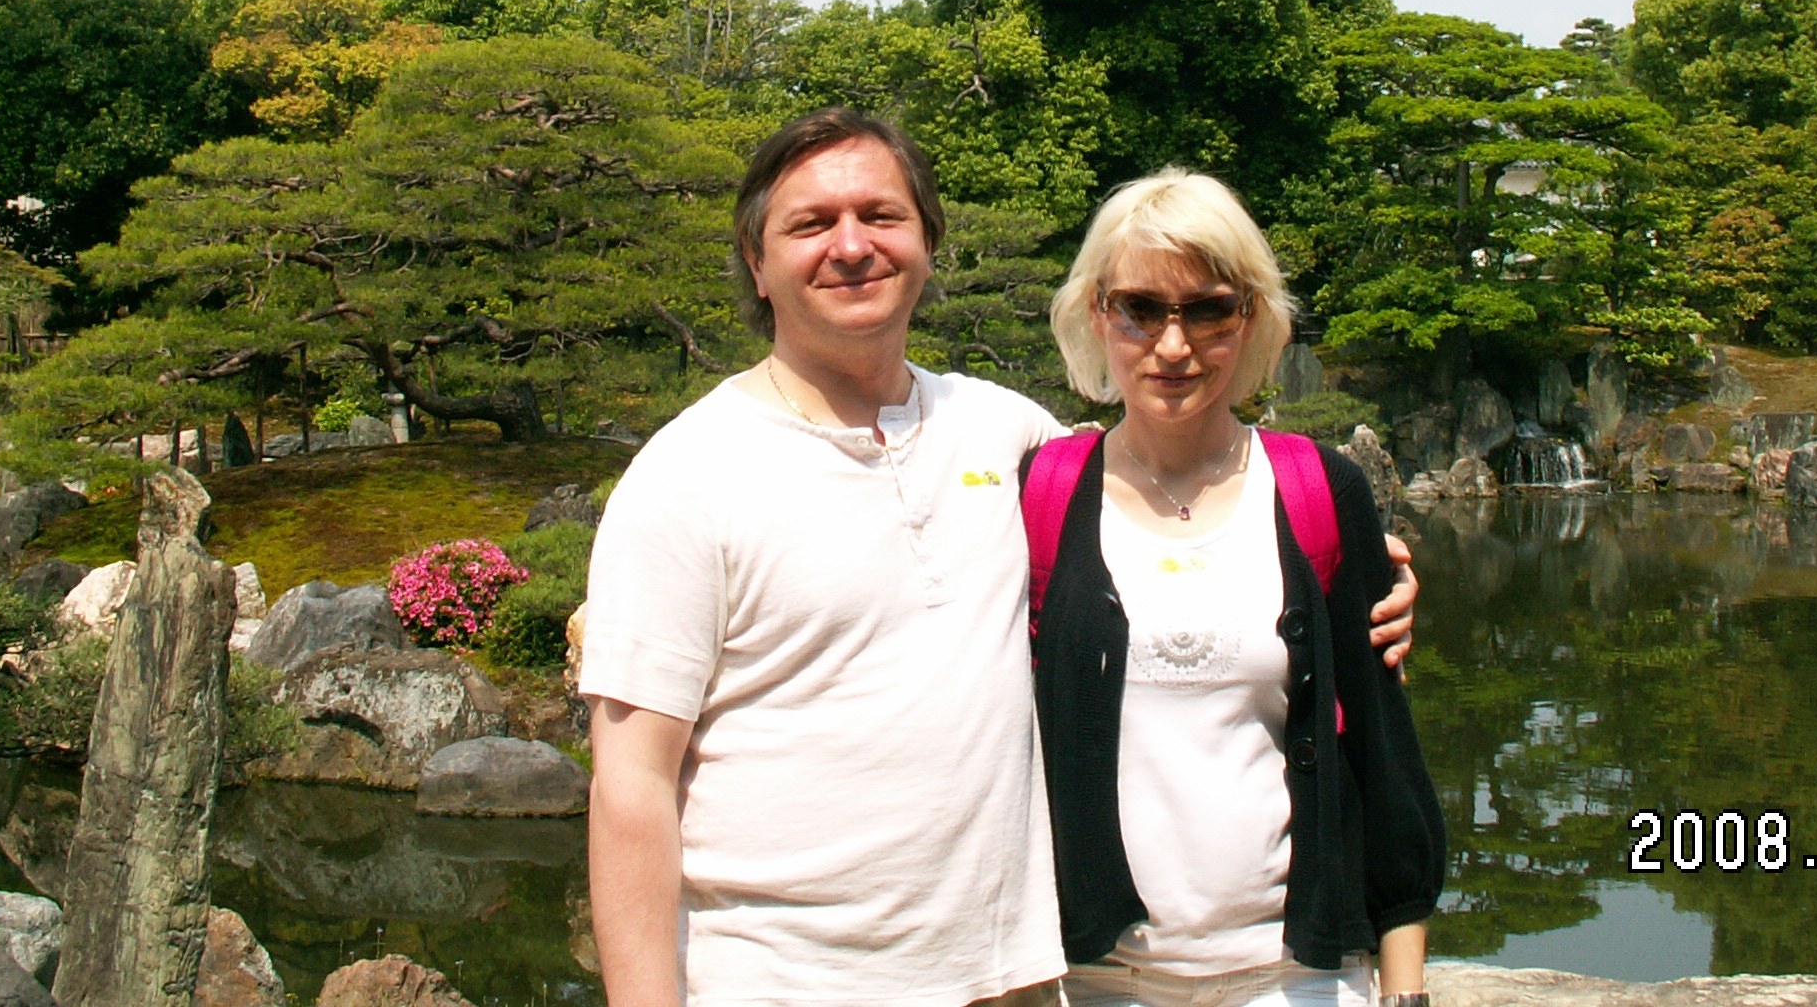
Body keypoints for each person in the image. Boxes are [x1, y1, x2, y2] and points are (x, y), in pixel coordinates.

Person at [579, 109, 1419, 1007]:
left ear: (928, 242)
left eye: (882, 215)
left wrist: (1363, 576)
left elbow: (1166, 506)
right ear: (756, 261)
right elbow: (631, 786)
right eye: (812, 223)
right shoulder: (688, 473)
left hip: (1006, 979)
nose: (852, 246)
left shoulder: (1002, 435)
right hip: (777, 978)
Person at [1028, 170, 1444, 1007]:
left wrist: (1405, 992)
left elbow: (1385, 759)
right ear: (1097, 312)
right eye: (1139, 309)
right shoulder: (1042, 493)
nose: (1172, 346)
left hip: (1295, 975)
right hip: (1098, 976)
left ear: (1250, 317)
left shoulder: (1319, 490)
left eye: (1208, 310)